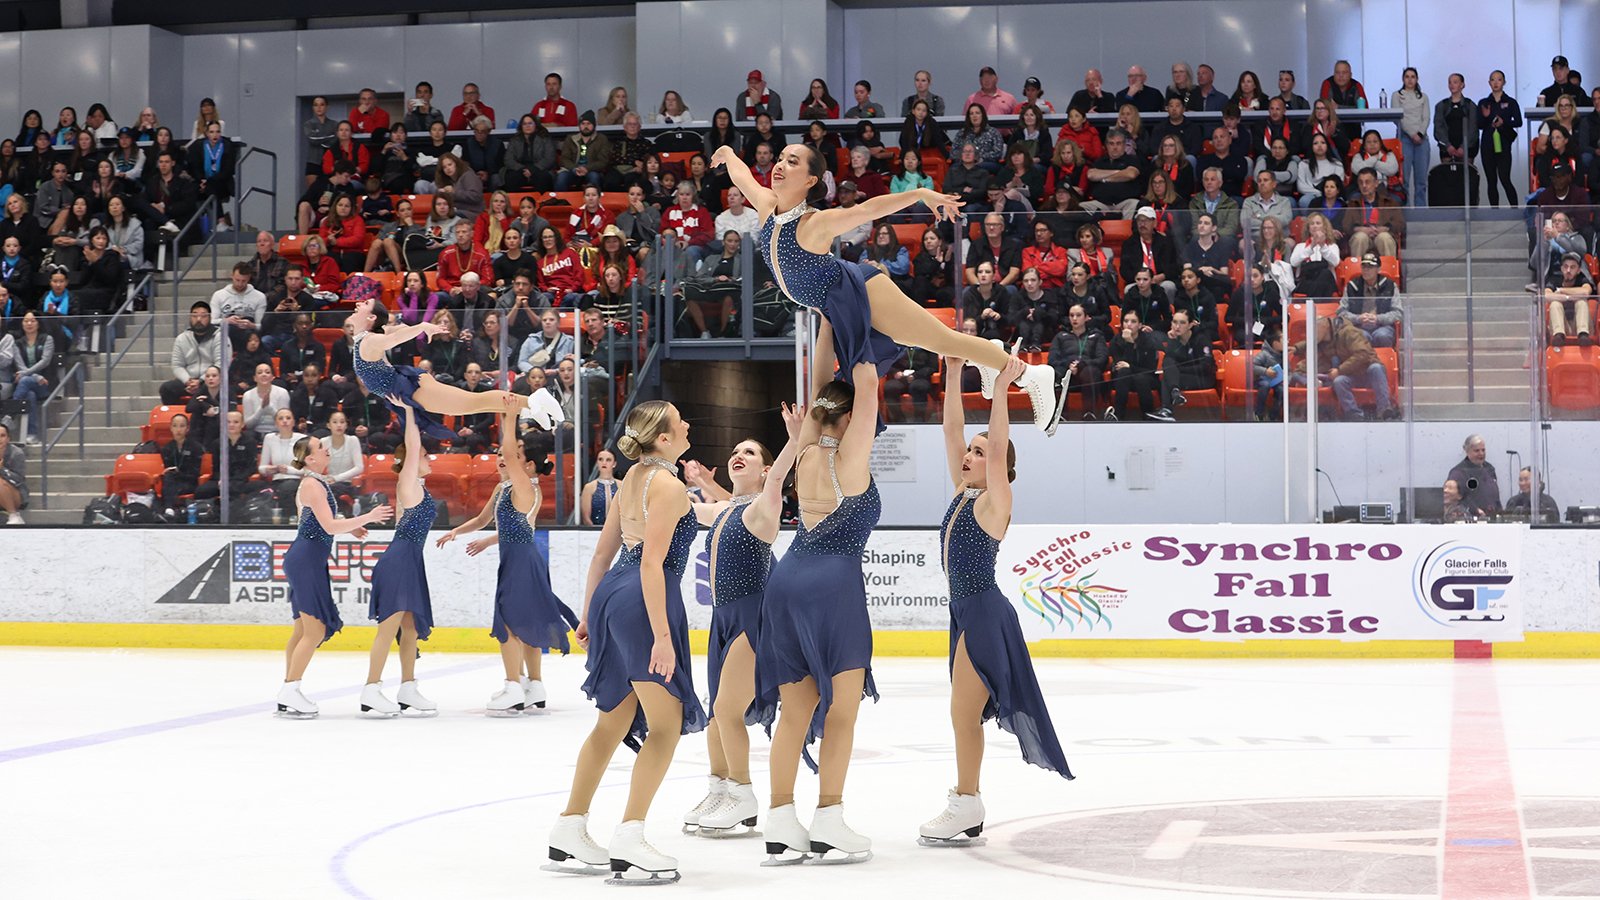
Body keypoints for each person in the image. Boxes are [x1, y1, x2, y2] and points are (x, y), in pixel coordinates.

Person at [711, 142, 1056, 425]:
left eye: (793, 160)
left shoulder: (815, 223)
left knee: (941, 340)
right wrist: (727, 152)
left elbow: (869, 210)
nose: (781, 164)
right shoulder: (766, 205)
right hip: (835, 305)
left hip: (859, 291)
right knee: (938, 343)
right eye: (782, 156)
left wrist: (921, 192)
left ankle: (1031, 374)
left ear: (811, 180)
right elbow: (742, 176)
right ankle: (989, 354)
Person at [545, 401, 704, 883]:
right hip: (643, 599)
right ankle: (631, 836)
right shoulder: (670, 486)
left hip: (615, 592)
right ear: (662, 438)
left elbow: (600, 555)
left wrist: (591, 611)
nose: (688, 424)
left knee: (612, 720)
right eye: (681, 421)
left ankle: (569, 825)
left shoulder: (632, 478)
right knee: (666, 723)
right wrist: (662, 637)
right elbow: (654, 564)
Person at [920, 359, 1072, 844]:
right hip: (963, 612)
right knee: (961, 714)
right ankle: (967, 801)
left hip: (984, 611)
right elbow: (950, 429)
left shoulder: (994, 502)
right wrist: (952, 369)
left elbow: (999, 442)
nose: (967, 455)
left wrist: (1004, 391)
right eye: (970, 450)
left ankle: (966, 801)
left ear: (1001, 465)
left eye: (979, 452)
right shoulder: (964, 492)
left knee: (962, 715)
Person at [753, 358, 880, 865]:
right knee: (842, 712)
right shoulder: (850, 458)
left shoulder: (805, 449)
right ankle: (829, 817)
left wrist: (831, 327)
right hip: (832, 585)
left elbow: (826, 394)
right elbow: (868, 384)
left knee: (794, 712)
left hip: (787, 580)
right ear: (848, 420)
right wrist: (867, 340)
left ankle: (781, 821)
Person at [678, 411, 804, 836]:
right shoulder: (727, 509)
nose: (738, 455)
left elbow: (774, 482)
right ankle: (719, 788)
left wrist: (793, 441)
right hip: (722, 618)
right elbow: (702, 507)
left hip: (753, 617)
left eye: (748, 453)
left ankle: (743, 794)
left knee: (727, 710)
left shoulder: (764, 508)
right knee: (717, 713)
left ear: (766, 469)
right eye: (735, 451)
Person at [273, 435, 393, 718]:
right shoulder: (313, 484)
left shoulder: (315, 483)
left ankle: (288, 689)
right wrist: (367, 517)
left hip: (306, 558)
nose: (327, 449)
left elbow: (318, 521)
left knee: (302, 630)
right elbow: (327, 526)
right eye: (320, 447)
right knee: (314, 631)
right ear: (311, 458)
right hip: (306, 560)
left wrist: (349, 528)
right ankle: (290, 689)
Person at [347, 298, 527, 443]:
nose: (358, 303)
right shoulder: (365, 338)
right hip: (406, 387)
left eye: (365, 303)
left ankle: (533, 403)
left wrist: (422, 327)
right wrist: (410, 327)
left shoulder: (370, 341)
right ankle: (530, 406)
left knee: (475, 402)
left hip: (410, 388)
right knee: (476, 405)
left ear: (371, 318)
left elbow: (394, 338)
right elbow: (398, 329)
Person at [1295, 315, 1394, 422]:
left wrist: (1340, 370)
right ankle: (1354, 414)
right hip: (1352, 374)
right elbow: (1312, 345)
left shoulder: (1349, 332)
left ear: (1324, 326)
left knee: (1376, 368)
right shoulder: (1326, 342)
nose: (1311, 334)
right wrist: (1296, 349)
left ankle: (1384, 410)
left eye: (1314, 330)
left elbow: (1362, 354)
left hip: (1368, 371)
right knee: (1339, 381)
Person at [160, 301, 221, 405]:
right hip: (188, 380)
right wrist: (188, 381)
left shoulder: (219, 336)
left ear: (210, 318)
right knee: (167, 388)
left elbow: (220, 363)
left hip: (209, 380)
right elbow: (177, 365)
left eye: (203, 316)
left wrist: (201, 380)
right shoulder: (182, 338)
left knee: (216, 387)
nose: (198, 319)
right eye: (194, 315)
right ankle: (177, 419)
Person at [1106, 308, 1161, 420]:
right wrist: (1129, 344)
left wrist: (1131, 367)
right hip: (1123, 379)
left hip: (1146, 378)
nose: (1129, 325)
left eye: (1133, 321)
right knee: (1124, 372)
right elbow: (1119, 366)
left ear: (1140, 325)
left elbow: (1150, 369)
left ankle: (1148, 415)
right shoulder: (1116, 341)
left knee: (1140, 377)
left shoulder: (1149, 341)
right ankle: (1118, 415)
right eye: (1126, 321)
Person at [1479, 71, 1523, 208]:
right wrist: (1485, 116)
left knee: (1505, 178)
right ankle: (1495, 212)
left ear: (1504, 82)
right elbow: (1479, 125)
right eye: (1492, 80)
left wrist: (1504, 122)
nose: (1496, 83)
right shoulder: (1484, 103)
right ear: (1489, 83)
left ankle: (1515, 210)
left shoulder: (1510, 102)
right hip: (1487, 145)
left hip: (1504, 145)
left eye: (1499, 79)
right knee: (1491, 180)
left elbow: (1519, 122)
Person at [1340, 252, 1400, 347]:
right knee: (1360, 336)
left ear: (1378, 269)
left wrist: (1378, 318)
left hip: (1383, 326)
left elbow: (1398, 313)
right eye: (1363, 267)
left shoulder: (1390, 286)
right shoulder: (1352, 286)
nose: (1366, 270)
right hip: (1358, 326)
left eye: (1370, 267)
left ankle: (1385, 359)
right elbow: (1341, 312)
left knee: (1382, 335)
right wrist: (1358, 318)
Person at [1343, 168, 1402, 259]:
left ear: (1376, 183)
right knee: (1360, 238)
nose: (1364, 186)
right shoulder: (1353, 203)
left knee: (1384, 237)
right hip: (1363, 235)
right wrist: (1358, 229)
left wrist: (1387, 228)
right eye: (1361, 182)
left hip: (1382, 234)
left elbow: (1401, 224)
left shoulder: (1389, 202)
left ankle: (1388, 272)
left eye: (1367, 182)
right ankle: (1357, 272)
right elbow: (1345, 225)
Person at [211, 262, 267, 351]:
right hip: (226, 332)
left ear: (249, 278)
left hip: (248, 332)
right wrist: (226, 321)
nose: (240, 284)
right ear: (232, 276)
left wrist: (251, 325)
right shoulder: (218, 295)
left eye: (243, 281)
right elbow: (212, 321)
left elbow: (260, 325)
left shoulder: (259, 297)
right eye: (237, 280)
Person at [1543, 251, 1595, 346]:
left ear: (1578, 270)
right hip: (1563, 327)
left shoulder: (1582, 279)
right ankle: (1558, 335)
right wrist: (1569, 297)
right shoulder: (1554, 279)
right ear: (1562, 268)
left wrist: (1561, 290)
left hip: (1581, 326)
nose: (1568, 270)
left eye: (1572, 267)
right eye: (1566, 266)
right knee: (1555, 303)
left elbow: (1585, 292)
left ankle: (1583, 334)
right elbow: (1547, 295)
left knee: (1581, 302)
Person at [1448, 434, 1502, 515]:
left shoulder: (1490, 469)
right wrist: (1475, 510)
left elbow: (1495, 496)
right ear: (1467, 451)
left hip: (1493, 518)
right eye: (1476, 451)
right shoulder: (1458, 473)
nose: (1481, 453)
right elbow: (1453, 498)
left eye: (1483, 450)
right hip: (1471, 520)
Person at [580, 448, 620, 526]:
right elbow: (586, 518)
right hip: (595, 533)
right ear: (597, 463)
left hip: (618, 533)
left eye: (608, 460)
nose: (604, 463)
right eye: (600, 459)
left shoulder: (622, 486)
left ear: (614, 464)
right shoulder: (589, 487)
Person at [0, 421, 28, 524]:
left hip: (16, 493)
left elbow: (19, 480)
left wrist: (2, 469)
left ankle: (14, 515)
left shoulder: (16, 453)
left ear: (8, 438)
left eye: (2, 436)